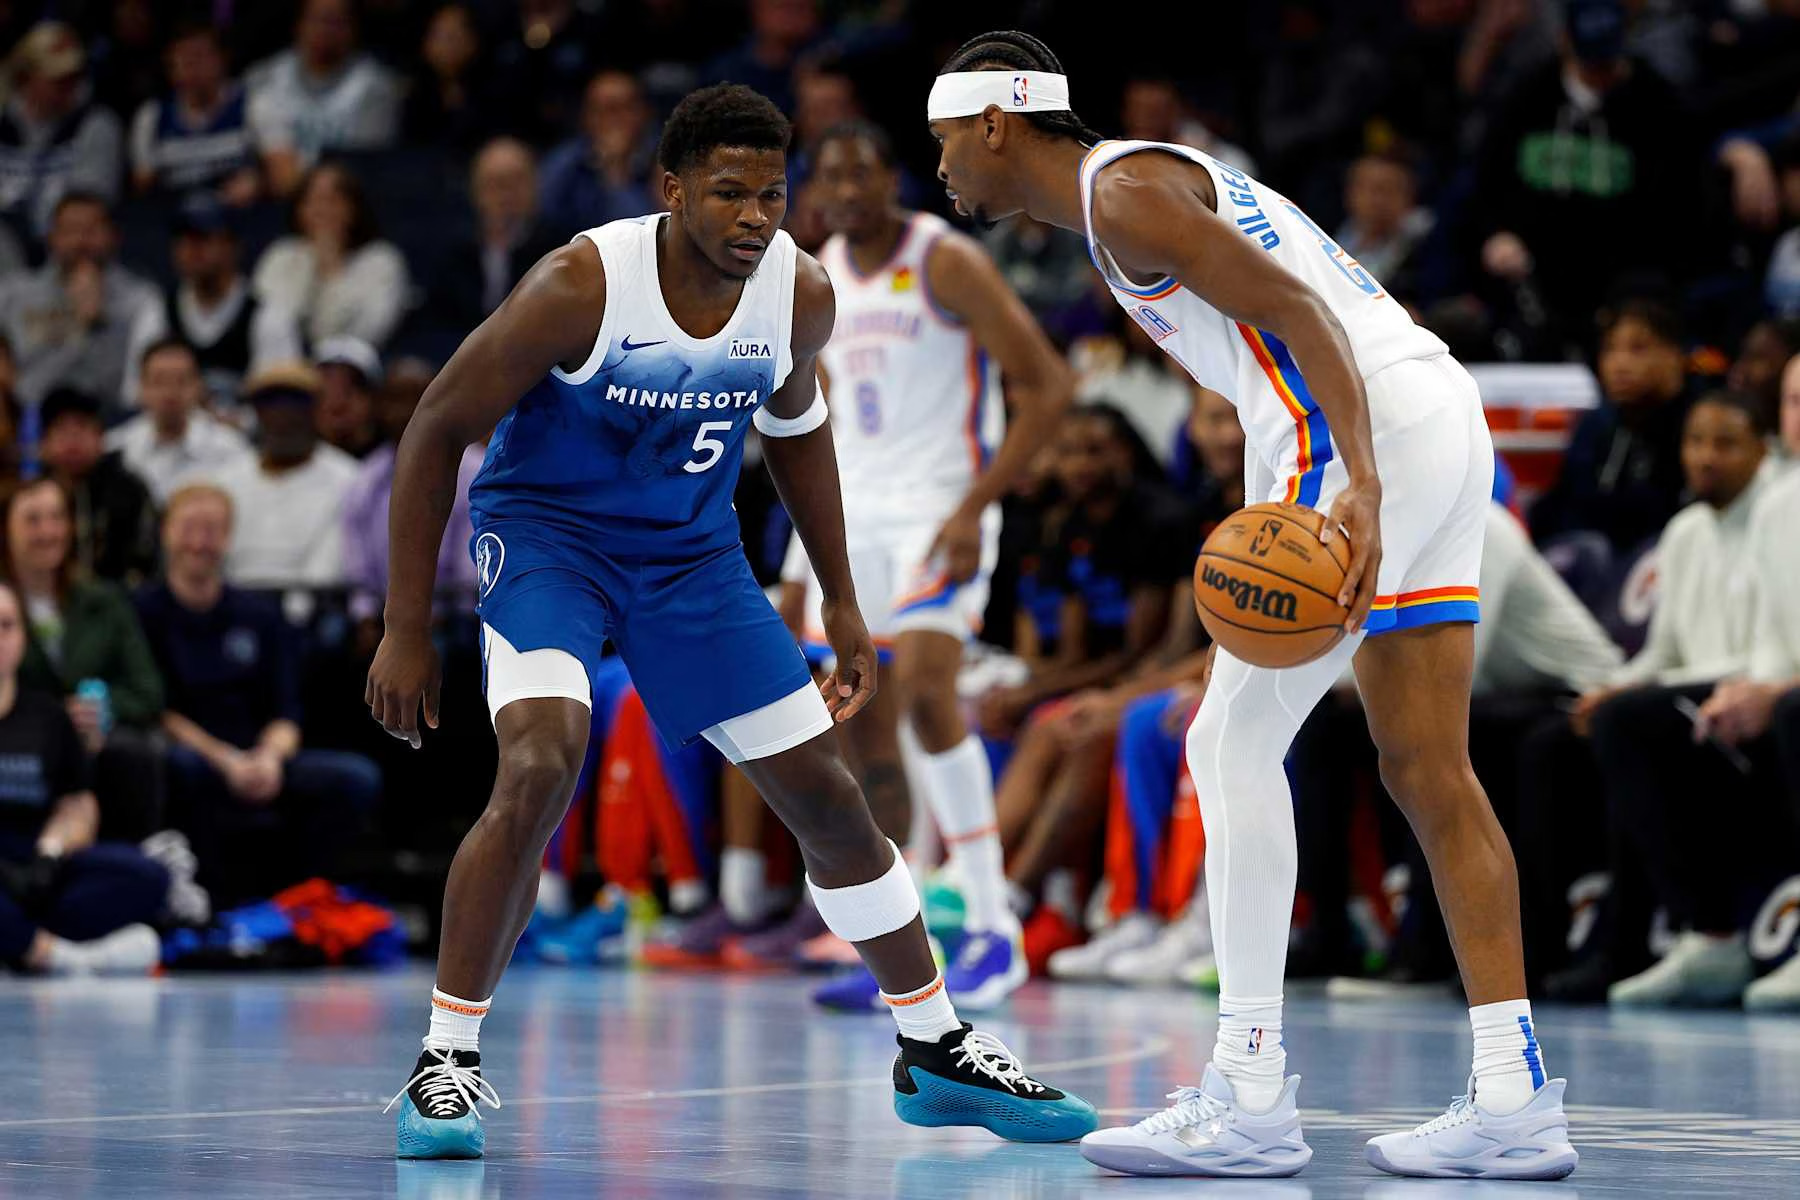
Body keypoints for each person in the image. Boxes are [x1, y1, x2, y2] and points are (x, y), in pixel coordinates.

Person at [364, 83, 1096, 1160]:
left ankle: (935, 1047)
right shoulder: (581, 283)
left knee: (829, 796)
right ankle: (446, 1059)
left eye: (771, 194)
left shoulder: (799, 293)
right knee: (541, 766)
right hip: (552, 543)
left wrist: (840, 596)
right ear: (671, 190)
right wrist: (404, 626)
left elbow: (798, 432)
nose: (755, 216)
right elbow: (436, 426)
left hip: (690, 559)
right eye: (728, 193)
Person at [927, 31, 1573, 1179]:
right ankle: (1514, 1095)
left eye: (943, 142)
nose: (939, 169)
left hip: (1358, 430)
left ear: (994, 122)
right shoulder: (1133, 190)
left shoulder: (1124, 194)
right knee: (1429, 768)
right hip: (1431, 413)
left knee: (1226, 745)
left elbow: (1301, 315)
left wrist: (1357, 479)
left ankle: (1250, 1093)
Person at [760, 120, 1071, 1010]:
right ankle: (908, 947)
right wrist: (800, 562)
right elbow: (811, 424)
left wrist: (978, 506)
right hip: (853, 517)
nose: (846, 191)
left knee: (933, 694)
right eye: (830, 177)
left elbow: (1049, 387)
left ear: (891, 178)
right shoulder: (814, 276)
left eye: (861, 173)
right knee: (861, 725)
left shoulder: (946, 259)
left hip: (940, 508)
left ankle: (994, 927)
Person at [1576, 392, 1781, 1007]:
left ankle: (1712, 932)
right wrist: (1617, 684)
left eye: (1725, 443)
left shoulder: (1777, 516)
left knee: (1627, 724)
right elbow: (1662, 651)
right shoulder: (1685, 529)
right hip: (1690, 690)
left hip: (1747, 689)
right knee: (1569, 734)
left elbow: (1764, 653)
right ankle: (1610, 943)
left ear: (1762, 449)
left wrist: (1644, 693)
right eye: (1696, 442)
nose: (1706, 457)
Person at [135, 484, 382, 904]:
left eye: (212, 530)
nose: (200, 542)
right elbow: (158, 711)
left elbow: (287, 712)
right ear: (166, 532)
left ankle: (304, 900)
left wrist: (268, 758)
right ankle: (209, 903)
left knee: (356, 778)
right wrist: (226, 761)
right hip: (196, 754)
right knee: (179, 769)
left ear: (229, 537)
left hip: (258, 754)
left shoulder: (259, 614)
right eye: (189, 528)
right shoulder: (142, 611)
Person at [0, 579, 167, 976]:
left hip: (33, 864)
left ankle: (14, 941)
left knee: (144, 875)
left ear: (22, 636)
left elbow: (77, 804)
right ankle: (56, 956)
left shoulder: (48, 717)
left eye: (6, 625)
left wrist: (50, 853)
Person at [2, 478, 166, 842]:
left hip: (97, 738)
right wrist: (55, 716)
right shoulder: (2, 604)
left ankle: (134, 858)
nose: (48, 532)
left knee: (133, 754)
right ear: (6, 529)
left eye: (57, 518)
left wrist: (102, 708)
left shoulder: (103, 600)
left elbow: (147, 691)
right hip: (17, 736)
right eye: (32, 520)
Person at [1529, 298, 1692, 556]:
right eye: (1609, 349)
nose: (1620, 364)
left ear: (1674, 355)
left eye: (1638, 349)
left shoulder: (1696, 426)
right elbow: (1563, 503)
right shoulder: (1596, 423)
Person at [124, 194, 303, 416]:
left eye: (202, 239)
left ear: (233, 246)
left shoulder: (268, 317)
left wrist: (231, 423)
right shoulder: (157, 312)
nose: (191, 249)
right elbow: (134, 396)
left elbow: (282, 405)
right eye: (183, 239)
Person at [0, 193, 160, 411]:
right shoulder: (14, 296)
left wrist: (98, 326)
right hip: (31, 417)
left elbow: (129, 392)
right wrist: (79, 328)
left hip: (112, 418)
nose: (81, 241)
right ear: (51, 237)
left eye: (92, 230)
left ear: (114, 236)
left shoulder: (140, 300)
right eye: (71, 230)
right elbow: (17, 385)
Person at [215, 363, 359, 590]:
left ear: (316, 410)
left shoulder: (349, 480)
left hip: (313, 601)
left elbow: (327, 572)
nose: (282, 415)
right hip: (231, 602)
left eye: (295, 403)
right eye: (270, 403)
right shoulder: (226, 481)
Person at [247, 0, 401, 197]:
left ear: (352, 29)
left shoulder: (376, 87)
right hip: (280, 200)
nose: (326, 29)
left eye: (336, 21)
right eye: (318, 19)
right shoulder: (266, 79)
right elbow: (277, 172)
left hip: (349, 202)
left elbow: (365, 169)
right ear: (299, 25)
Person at [252, 163, 410, 351]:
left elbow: (365, 334)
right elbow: (274, 326)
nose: (321, 211)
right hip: (287, 362)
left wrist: (332, 270)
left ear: (354, 209)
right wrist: (313, 264)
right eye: (311, 201)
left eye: (332, 201)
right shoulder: (282, 254)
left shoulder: (382, 260)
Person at [0, 23, 122, 249]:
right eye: (58, 79)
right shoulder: (4, 123)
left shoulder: (96, 123)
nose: (70, 86)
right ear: (25, 78)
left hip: (68, 250)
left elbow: (90, 209)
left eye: (74, 76)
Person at [431, 139, 563, 343]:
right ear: (475, 191)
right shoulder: (453, 253)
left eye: (516, 181)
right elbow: (435, 322)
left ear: (536, 186)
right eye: (496, 183)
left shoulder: (561, 249)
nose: (506, 194)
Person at [105, 337, 253, 504]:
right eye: (159, 382)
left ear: (198, 387)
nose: (170, 392)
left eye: (181, 381)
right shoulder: (116, 449)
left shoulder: (231, 450)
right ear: (141, 388)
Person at [36, 389, 159, 585]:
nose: (72, 440)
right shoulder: (29, 496)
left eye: (82, 427)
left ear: (101, 439)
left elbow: (144, 559)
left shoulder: (130, 491)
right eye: (62, 429)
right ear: (43, 444)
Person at [128, 22, 259, 206]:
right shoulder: (152, 116)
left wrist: (258, 182)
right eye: (184, 58)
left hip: (240, 211)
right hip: (177, 213)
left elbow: (272, 171)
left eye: (200, 56)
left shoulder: (252, 105)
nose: (193, 66)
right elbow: (144, 187)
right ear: (170, 67)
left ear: (222, 59)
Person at [537, 72, 658, 239]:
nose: (615, 120)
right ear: (586, 116)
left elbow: (645, 232)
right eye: (605, 110)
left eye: (624, 109)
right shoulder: (565, 162)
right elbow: (542, 216)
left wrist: (616, 171)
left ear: (644, 112)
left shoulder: (663, 158)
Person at [315, 336, 383, 458]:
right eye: (325, 392)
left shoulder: (402, 460)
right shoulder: (289, 462)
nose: (337, 404)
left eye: (349, 390)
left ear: (375, 399)